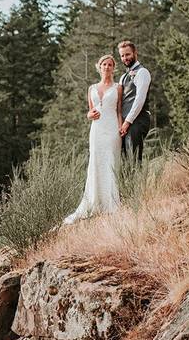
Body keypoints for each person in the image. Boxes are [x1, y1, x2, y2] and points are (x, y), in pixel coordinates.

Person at [63, 54, 123, 225]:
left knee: (111, 162)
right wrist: (89, 115)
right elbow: (90, 111)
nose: (107, 67)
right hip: (96, 130)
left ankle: (111, 202)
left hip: (112, 129)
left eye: (110, 64)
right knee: (96, 162)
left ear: (113, 68)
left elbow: (119, 111)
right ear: (99, 66)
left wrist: (121, 129)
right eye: (104, 64)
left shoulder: (118, 87)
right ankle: (94, 200)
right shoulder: (91, 88)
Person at [117, 40, 152, 163]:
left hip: (137, 119)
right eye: (122, 55)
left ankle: (137, 182)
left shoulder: (142, 72)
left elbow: (139, 100)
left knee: (134, 159)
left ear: (135, 53)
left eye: (128, 54)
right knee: (125, 160)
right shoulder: (123, 77)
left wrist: (127, 122)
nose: (125, 58)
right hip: (125, 123)